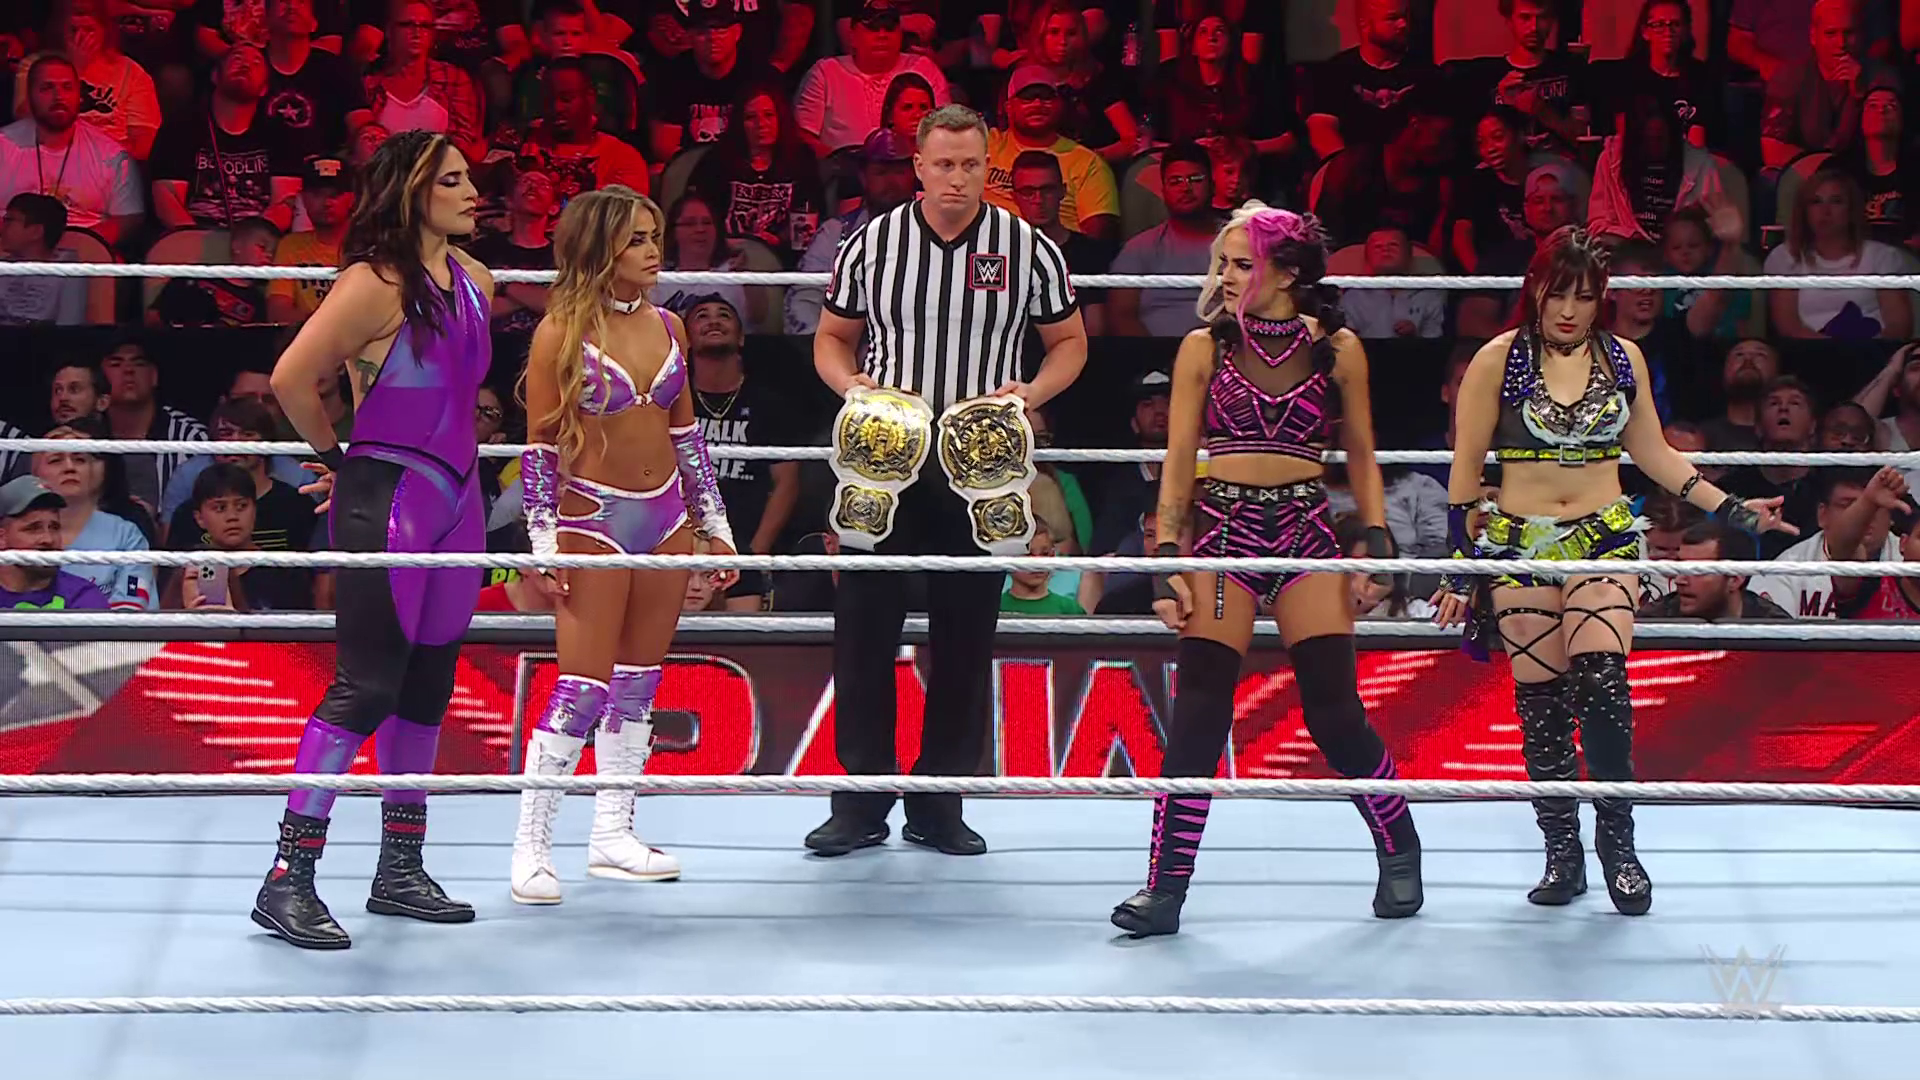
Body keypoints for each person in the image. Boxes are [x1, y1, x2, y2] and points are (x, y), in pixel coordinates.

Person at [1432, 226, 1795, 917]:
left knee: (1602, 681)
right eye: (1558, 294)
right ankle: (1561, 852)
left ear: (1602, 298)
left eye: (1584, 296)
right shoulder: (1496, 359)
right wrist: (1459, 568)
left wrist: (1735, 511)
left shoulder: (1623, 357)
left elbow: (1655, 454)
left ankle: (1618, 845)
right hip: (1520, 543)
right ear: (1535, 291)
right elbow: (1465, 467)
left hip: (1602, 535)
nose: (1570, 310)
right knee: (1541, 706)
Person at [1109, 204, 1420, 938]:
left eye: (1241, 264)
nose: (1225, 276)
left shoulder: (1337, 348)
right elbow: (1179, 459)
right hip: (1226, 534)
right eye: (1222, 263)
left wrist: (1377, 540)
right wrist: (1166, 557)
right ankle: (1165, 888)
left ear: (1286, 273)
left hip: (1306, 532)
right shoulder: (1202, 348)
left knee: (1334, 715)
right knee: (1199, 714)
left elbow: (1362, 453)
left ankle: (1400, 846)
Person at [809, 103, 1087, 857]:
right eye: (943, 164)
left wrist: (1030, 391)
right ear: (919, 167)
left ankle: (941, 804)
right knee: (863, 629)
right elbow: (831, 337)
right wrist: (850, 386)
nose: (956, 179)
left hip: (981, 463)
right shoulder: (872, 243)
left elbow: (1069, 342)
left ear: (986, 167)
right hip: (884, 457)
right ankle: (860, 801)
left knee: (966, 633)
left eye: (969, 165)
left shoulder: (1027, 247)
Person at [252, 129, 495, 950]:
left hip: (458, 500)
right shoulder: (373, 283)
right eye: (452, 180)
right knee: (367, 686)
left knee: (427, 685)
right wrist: (339, 461)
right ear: (412, 193)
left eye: (469, 177)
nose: (472, 192)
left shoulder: (476, 280)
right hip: (389, 496)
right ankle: (287, 879)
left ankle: (400, 870)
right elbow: (292, 377)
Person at [508, 186, 740, 904]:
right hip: (593, 520)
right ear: (599, 246)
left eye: (654, 236)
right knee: (581, 687)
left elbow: (687, 434)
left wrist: (717, 526)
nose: (652, 250)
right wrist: (542, 540)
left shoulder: (670, 325)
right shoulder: (559, 332)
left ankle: (613, 832)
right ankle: (531, 847)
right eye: (637, 238)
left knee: (639, 681)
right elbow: (540, 446)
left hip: (666, 519)